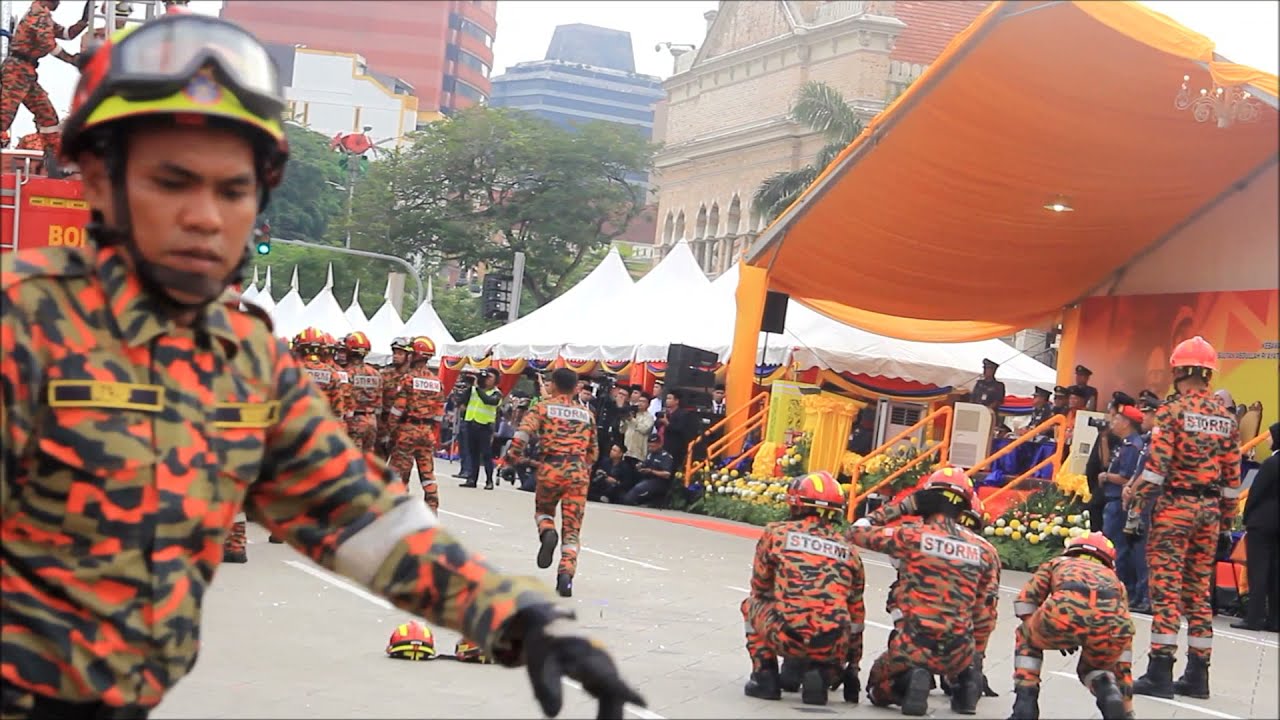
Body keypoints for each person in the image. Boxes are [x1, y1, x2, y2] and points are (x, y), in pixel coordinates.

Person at [0, 13, 643, 719]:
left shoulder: (239, 358)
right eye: (172, 181)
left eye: (234, 189)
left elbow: (351, 514)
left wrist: (515, 618)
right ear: (96, 180)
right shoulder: (23, 327)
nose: (206, 217)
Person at [1130, 336, 1242, 700]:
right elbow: (1231, 480)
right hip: (1208, 515)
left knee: (1165, 592)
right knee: (1197, 595)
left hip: (1175, 510)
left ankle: (1159, 671)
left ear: (1178, 371)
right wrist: (1225, 523)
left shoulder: (1172, 412)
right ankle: (1198, 674)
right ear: (1209, 374)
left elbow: (1157, 469)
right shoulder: (1226, 418)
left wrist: (1136, 508)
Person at [847, 467, 997, 716]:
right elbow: (984, 615)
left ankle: (910, 681)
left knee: (877, 686)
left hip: (913, 644)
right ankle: (966, 684)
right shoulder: (982, 550)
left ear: (925, 501)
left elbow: (856, 532)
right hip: (958, 650)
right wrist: (973, 657)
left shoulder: (912, 536)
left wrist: (903, 506)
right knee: (965, 651)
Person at [742, 471, 865, 707]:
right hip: (833, 643)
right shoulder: (849, 551)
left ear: (796, 504)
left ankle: (764, 676)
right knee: (830, 620)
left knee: (751, 605)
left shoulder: (776, 534)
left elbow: (760, 587)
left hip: (787, 634)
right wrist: (853, 667)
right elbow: (857, 615)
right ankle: (818, 671)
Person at [1008, 532, 1135, 720]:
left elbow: (1025, 602)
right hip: (1113, 627)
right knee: (1095, 669)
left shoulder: (1057, 563)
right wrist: (1128, 709)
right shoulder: (1116, 581)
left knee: (1026, 637)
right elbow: (1123, 644)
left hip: (1062, 614)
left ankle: (1025, 703)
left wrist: (1047, 629)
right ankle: (1109, 693)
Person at [508, 367, 598, 598]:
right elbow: (593, 452)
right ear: (574, 386)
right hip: (577, 472)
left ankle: (547, 531)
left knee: (544, 510)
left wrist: (510, 460)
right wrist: (581, 469)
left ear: (554, 385)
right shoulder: (586, 414)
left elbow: (522, 434)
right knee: (572, 529)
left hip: (551, 468)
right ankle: (566, 575)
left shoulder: (542, 407)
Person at [1, 0, 89, 150]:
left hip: (26, 73)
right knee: (4, 117)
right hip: (17, 72)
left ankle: (54, 158)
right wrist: (72, 59)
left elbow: (65, 34)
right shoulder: (39, 14)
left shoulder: (44, 16)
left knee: (47, 117)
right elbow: (48, 45)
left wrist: (83, 21)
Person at [387, 336, 447, 513]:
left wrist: (390, 431)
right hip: (427, 432)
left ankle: (399, 509)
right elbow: (439, 414)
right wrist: (433, 434)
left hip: (408, 430)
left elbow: (398, 410)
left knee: (399, 472)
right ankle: (432, 506)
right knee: (427, 473)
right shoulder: (437, 383)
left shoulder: (408, 379)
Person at [1232, 421, 1278, 631]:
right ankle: (1274, 619)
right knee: (1275, 572)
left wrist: (1247, 516)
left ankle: (1254, 617)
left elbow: (1256, 493)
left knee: (1258, 571)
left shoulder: (1270, 464)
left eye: (1270, 436)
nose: (1267, 439)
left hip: (1262, 523)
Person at [1100, 406, 1145, 555]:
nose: (1113, 422)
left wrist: (1106, 476)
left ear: (1126, 423)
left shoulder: (1132, 446)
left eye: (1117, 419)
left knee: (1115, 546)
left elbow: (1126, 477)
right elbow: (1107, 463)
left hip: (1119, 502)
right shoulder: (1125, 443)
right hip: (1113, 500)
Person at [459, 368, 502, 489]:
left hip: (484, 426)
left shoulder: (496, 393)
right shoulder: (473, 389)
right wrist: (471, 383)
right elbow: (461, 401)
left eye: (490, 378)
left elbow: (489, 401)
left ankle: (489, 480)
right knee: (473, 453)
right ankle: (472, 479)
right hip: (471, 423)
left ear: (495, 381)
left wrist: (478, 388)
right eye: (486, 377)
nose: (487, 380)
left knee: (487, 455)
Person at [342, 331, 382, 454]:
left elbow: (345, 400)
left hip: (355, 421)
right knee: (368, 458)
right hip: (372, 420)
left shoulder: (346, 373)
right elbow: (379, 402)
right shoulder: (376, 374)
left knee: (353, 459)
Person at [378, 336, 411, 457]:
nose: (396, 356)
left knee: (401, 468)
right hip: (384, 424)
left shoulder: (412, 377)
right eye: (395, 353)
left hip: (405, 426)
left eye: (400, 353)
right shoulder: (385, 375)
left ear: (409, 356)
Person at [623, 432, 675, 507]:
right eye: (649, 446)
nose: (650, 448)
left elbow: (667, 474)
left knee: (638, 490)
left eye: (653, 446)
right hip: (647, 479)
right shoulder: (650, 455)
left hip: (660, 482)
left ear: (660, 444)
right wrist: (640, 466)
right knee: (629, 494)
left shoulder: (665, 457)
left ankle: (654, 502)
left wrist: (652, 471)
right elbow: (645, 464)